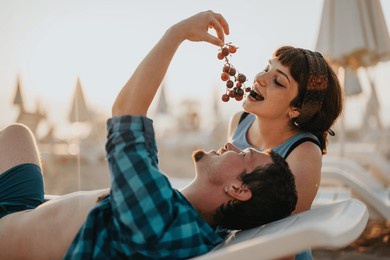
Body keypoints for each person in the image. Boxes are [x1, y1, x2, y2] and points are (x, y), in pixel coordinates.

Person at [0, 11, 298, 260]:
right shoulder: (192, 221)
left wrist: (177, 33)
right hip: (25, 206)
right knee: (17, 133)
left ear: (238, 189)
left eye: (244, 154)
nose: (232, 144)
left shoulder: (161, 221)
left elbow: (125, 112)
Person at [227, 46, 343, 260]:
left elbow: (284, 241)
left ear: (296, 109)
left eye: (278, 81)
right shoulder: (239, 121)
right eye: (266, 68)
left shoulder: (304, 152)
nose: (260, 78)